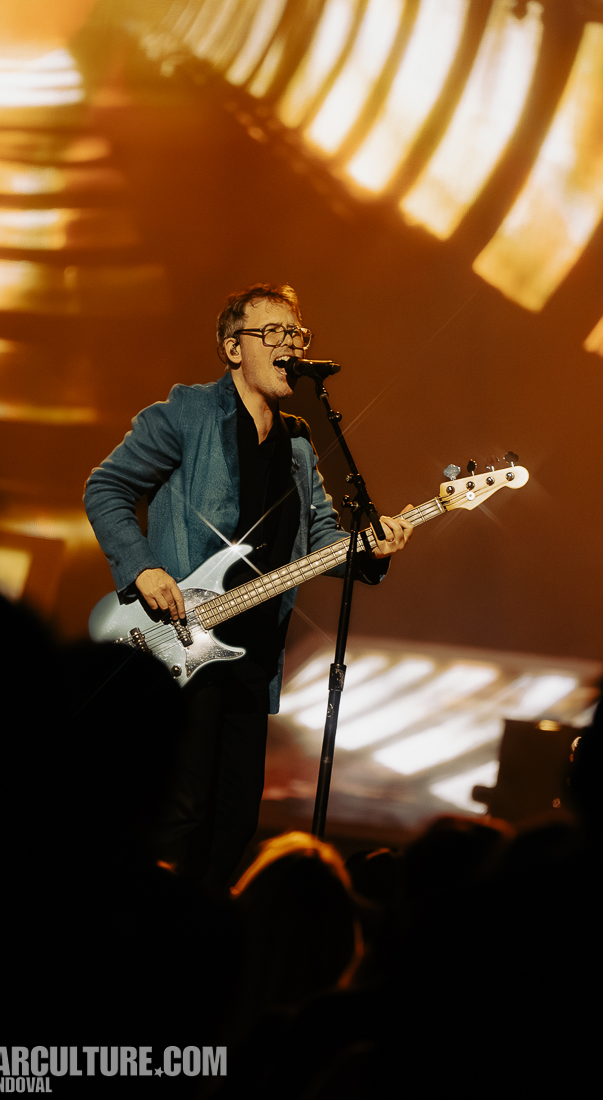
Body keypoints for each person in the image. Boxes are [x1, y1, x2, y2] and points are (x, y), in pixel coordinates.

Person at [84, 283, 413, 887]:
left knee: (233, 825)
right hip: (181, 643)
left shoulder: (298, 444)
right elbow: (105, 488)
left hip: (250, 658)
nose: (290, 344)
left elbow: (320, 541)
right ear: (234, 349)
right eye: (274, 333)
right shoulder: (186, 414)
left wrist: (370, 552)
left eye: (297, 334)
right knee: (178, 816)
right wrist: (142, 568)